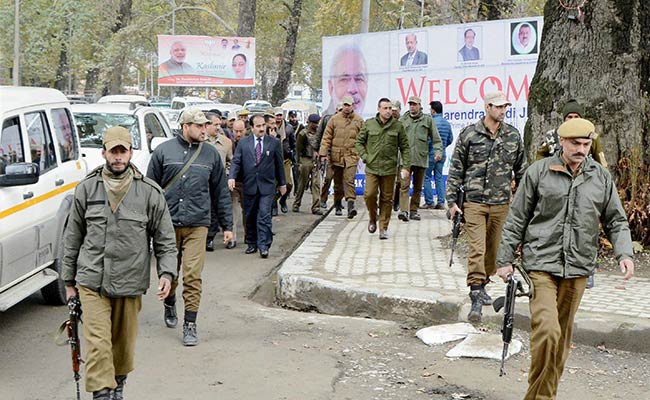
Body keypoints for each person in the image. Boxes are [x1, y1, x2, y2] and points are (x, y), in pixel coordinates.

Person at [496, 118, 634, 400]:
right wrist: (504, 258)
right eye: (575, 144)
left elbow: (616, 220)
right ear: (562, 142)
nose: (581, 149)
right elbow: (517, 218)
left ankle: (540, 396)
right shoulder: (538, 172)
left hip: (578, 268)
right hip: (541, 266)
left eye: (586, 144)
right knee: (547, 331)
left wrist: (624, 253)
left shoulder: (600, 176)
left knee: (561, 342)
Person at [61, 127, 177, 400]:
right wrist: (68, 281)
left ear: (130, 153)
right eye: (112, 151)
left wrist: (167, 274)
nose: (117, 157)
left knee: (122, 347)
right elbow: (72, 237)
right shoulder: (87, 189)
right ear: (103, 153)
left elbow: (165, 239)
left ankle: (118, 383)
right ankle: (102, 393)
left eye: (122, 151)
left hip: (130, 279)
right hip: (92, 281)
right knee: (99, 345)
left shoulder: (149, 192)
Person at [147, 109, 233, 346]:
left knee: (193, 276)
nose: (204, 130)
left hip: (198, 224)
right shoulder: (163, 151)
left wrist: (227, 225)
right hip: (167, 225)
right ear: (185, 126)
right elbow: (150, 191)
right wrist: (147, 226)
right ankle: (170, 301)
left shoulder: (211, 155)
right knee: (169, 273)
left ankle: (190, 324)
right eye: (199, 126)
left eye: (206, 126)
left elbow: (220, 192)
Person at [446, 91, 527, 323]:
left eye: (505, 107)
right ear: (487, 106)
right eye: (498, 107)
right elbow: (456, 169)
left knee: (494, 250)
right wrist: (451, 201)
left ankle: (483, 281)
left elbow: (521, 170)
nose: (502, 111)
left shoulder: (512, 135)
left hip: (501, 203)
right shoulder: (469, 134)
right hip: (474, 202)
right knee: (477, 247)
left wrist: (523, 201)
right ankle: (475, 290)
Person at [229, 114, 286, 258]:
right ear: (252, 128)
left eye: (263, 125)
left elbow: (279, 164)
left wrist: (282, 183)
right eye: (258, 126)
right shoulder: (244, 143)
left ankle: (264, 245)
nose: (261, 128)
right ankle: (252, 243)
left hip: (267, 186)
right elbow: (236, 161)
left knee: (264, 215)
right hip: (250, 185)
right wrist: (232, 177)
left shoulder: (273, 143)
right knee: (250, 215)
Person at [355, 98, 411, 240]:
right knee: (369, 194)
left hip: (389, 169)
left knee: (387, 199)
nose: (388, 111)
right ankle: (373, 217)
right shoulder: (369, 124)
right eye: (385, 108)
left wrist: (406, 167)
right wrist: (365, 156)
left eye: (390, 108)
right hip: (372, 167)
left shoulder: (397, 126)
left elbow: (405, 147)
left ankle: (383, 227)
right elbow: (359, 142)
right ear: (379, 109)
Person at [398, 96, 442, 221]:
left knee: (417, 187)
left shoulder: (428, 120)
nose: (412, 106)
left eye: (414, 104)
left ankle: (413, 211)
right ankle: (404, 211)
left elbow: (436, 139)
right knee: (404, 186)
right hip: (405, 160)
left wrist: (438, 151)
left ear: (419, 106)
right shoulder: (402, 120)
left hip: (421, 159)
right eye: (410, 104)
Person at [319, 95, 364, 218]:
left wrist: (364, 154)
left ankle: (351, 206)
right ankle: (338, 204)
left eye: (349, 105)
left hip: (351, 155)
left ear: (352, 106)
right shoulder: (334, 120)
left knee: (349, 180)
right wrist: (323, 153)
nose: (346, 107)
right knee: (337, 182)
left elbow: (364, 138)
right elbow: (326, 137)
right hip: (336, 156)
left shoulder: (359, 120)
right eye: (345, 105)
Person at [204, 112, 234, 251]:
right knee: (207, 209)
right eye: (215, 124)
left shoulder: (226, 142)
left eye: (219, 125)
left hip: (219, 181)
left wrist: (229, 175)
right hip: (203, 181)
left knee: (217, 209)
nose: (218, 127)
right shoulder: (200, 141)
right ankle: (207, 238)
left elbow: (231, 160)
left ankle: (212, 236)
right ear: (207, 124)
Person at [422, 101, 453, 209]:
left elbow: (428, 140)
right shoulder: (447, 123)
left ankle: (429, 202)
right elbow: (450, 139)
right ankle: (441, 202)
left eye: (430, 109)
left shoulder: (430, 122)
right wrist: (443, 147)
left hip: (431, 153)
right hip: (442, 154)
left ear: (433, 110)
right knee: (439, 177)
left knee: (426, 177)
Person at [324, 45, 368, 116]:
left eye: (359, 79)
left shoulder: (362, 122)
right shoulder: (327, 121)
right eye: (344, 80)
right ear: (331, 88)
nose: (352, 89)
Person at [293, 113, 323, 214]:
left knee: (316, 184)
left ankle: (316, 207)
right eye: (314, 123)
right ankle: (297, 203)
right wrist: (298, 164)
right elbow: (298, 149)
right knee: (302, 184)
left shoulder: (319, 133)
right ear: (309, 123)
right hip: (305, 160)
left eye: (317, 123)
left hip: (316, 161)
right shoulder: (302, 134)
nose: (316, 125)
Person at [318, 102, 342, 209]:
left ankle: (338, 202)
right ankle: (323, 199)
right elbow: (321, 137)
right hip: (330, 155)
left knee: (340, 182)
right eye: (339, 110)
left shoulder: (349, 122)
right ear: (336, 110)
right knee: (327, 178)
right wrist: (321, 153)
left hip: (343, 157)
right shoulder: (328, 120)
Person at [274, 108, 296, 214]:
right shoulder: (270, 128)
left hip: (285, 159)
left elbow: (293, 144)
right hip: (273, 161)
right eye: (276, 115)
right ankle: (273, 205)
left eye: (280, 115)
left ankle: (283, 200)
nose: (278, 117)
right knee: (274, 185)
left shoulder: (289, 128)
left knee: (288, 184)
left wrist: (293, 155)